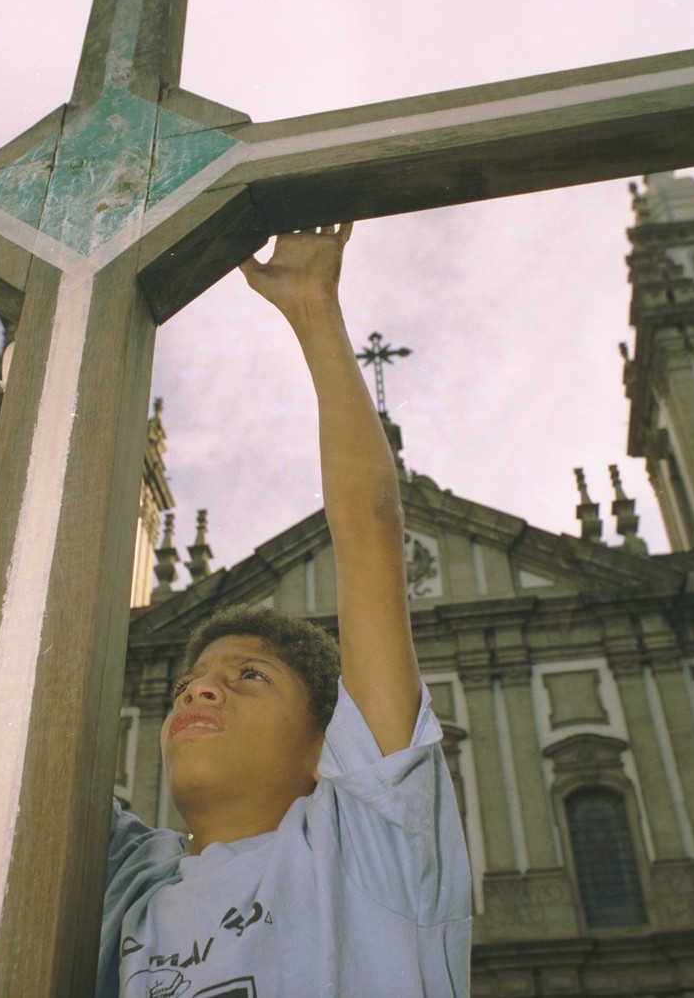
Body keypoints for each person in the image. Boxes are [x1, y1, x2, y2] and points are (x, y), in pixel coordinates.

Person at [98, 225, 471, 998]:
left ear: (326, 749)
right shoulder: (128, 882)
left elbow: (368, 529)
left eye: (248, 676)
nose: (200, 689)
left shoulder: (365, 850)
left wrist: (312, 311)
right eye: (190, 681)